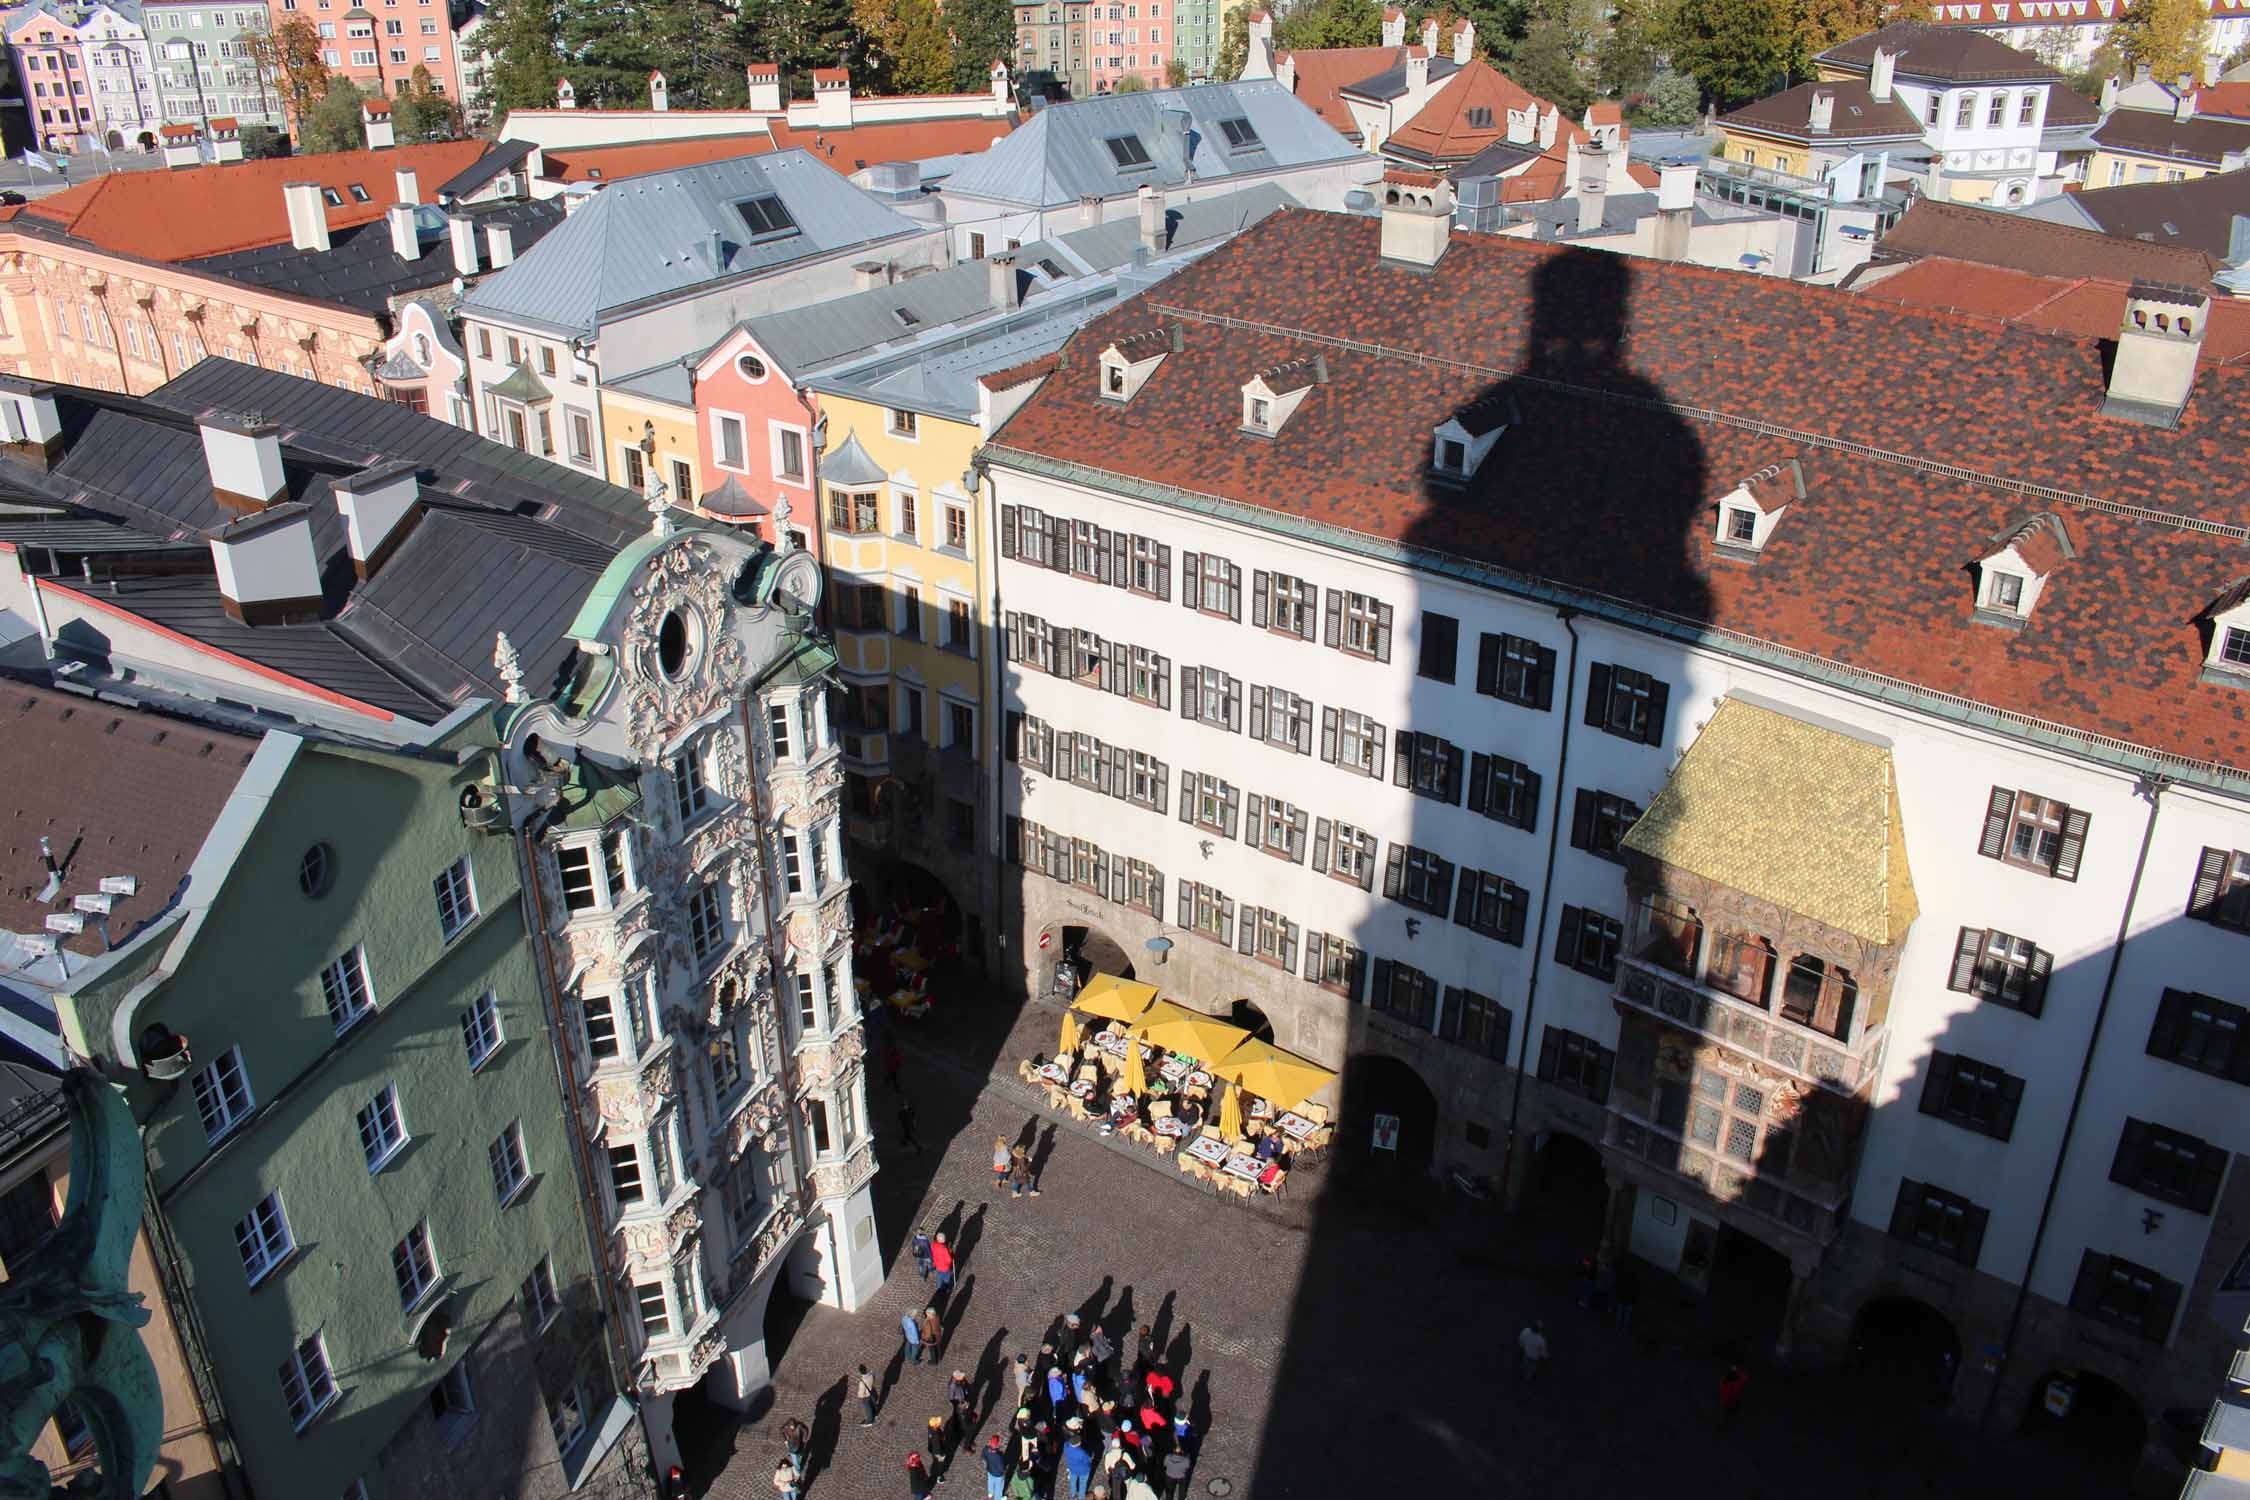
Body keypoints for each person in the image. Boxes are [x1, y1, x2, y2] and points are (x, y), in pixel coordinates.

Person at [1063, 1424, 1096, 1499]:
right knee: (1082, 1485)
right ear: (1077, 1444)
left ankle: (1073, 1496)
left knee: (1073, 1482)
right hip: (1083, 1471)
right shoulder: (1081, 1452)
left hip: (1072, 1468)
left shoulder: (1066, 1445)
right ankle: (1081, 1498)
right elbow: (1088, 1460)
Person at [783, 1417, 810, 1482]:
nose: (792, 1428)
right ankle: (797, 1474)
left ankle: (798, 1465)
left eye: (793, 1426)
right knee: (796, 1462)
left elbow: (806, 1430)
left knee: (800, 1456)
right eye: (791, 1427)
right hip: (791, 1447)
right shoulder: (786, 1427)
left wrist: (804, 1438)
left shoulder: (799, 1426)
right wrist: (785, 1440)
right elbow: (782, 1431)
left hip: (800, 1446)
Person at [983, 1433, 1009, 1500]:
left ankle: (990, 1493)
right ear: (997, 1444)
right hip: (998, 1474)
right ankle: (998, 1498)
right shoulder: (999, 1456)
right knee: (999, 1487)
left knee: (990, 1482)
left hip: (989, 1470)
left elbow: (983, 1457)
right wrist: (1004, 1471)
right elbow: (1001, 1467)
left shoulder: (985, 1449)